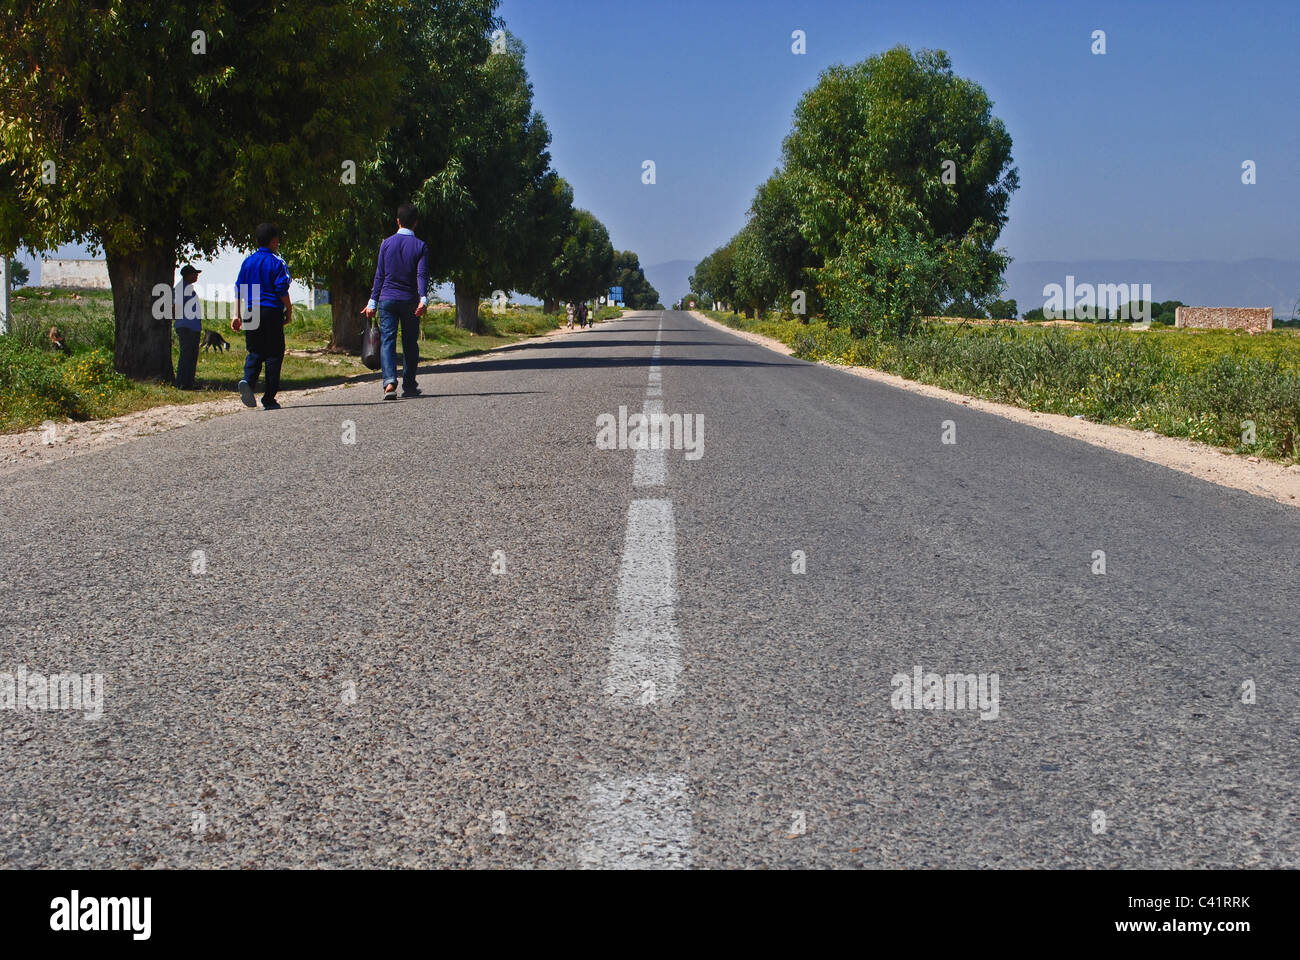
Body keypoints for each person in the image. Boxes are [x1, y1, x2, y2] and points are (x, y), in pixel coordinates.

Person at [363, 203, 428, 400]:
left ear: (397, 221)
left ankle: (389, 383)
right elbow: (422, 274)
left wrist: (372, 302)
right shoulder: (420, 246)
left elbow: (379, 275)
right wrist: (423, 299)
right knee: (410, 342)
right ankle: (409, 385)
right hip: (410, 300)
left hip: (387, 299)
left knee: (388, 341)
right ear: (415, 223)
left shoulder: (386, 244)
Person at [231, 223, 292, 411]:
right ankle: (269, 398)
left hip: (250, 311)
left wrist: (236, 314)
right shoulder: (277, 261)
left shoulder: (247, 262)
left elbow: (238, 288)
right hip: (271, 309)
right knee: (274, 353)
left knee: (255, 351)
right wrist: (289, 310)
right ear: (274, 241)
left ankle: (248, 382)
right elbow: (281, 288)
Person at [173, 264, 203, 389]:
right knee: (186, 356)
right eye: (194, 273)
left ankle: (188, 383)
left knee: (191, 356)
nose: (196, 275)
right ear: (187, 275)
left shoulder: (188, 288)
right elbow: (175, 307)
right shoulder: (181, 289)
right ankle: (182, 383)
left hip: (192, 326)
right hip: (186, 326)